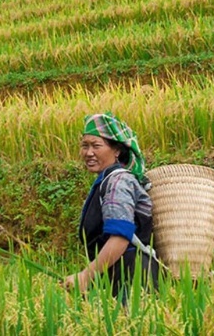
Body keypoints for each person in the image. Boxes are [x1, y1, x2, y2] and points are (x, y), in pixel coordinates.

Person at [63, 112, 159, 300]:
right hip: (119, 274)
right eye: (85, 145)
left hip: (133, 277)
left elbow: (120, 238)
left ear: (117, 151)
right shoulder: (106, 180)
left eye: (96, 145)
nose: (89, 152)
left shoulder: (118, 182)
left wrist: (85, 276)